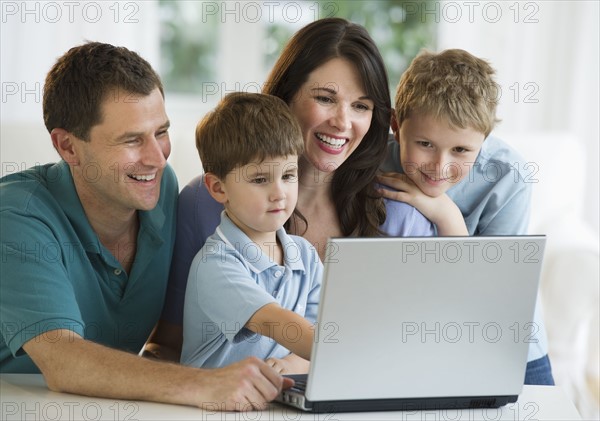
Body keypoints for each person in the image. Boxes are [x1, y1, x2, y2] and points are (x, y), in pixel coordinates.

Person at [0, 42, 293, 411]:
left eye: (161, 132)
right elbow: (63, 361)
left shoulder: (161, 190)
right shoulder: (17, 214)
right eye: (132, 139)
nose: (157, 158)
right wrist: (206, 384)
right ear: (68, 147)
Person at [146, 17, 435, 361]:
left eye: (361, 106)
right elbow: (166, 346)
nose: (343, 122)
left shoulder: (393, 216)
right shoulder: (205, 216)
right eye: (326, 98)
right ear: (287, 96)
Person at [377, 48, 554, 384]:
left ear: (483, 141)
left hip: (509, 344)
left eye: (460, 150)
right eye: (425, 143)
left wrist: (446, 214)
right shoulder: (375, 165)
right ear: (396, 125)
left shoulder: (508, 176)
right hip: (417, 343)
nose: (439, 166)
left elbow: (490, 295)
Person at [181, 92, 322, 374]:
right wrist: (355, 352)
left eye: (288, 175)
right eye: (260, 180)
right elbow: (275, 322)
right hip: (206, 407)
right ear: (219, 188)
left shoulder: (304, 254)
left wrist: (286, 365)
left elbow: (317, 333)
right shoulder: (216, 263)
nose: (279, 193)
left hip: (271, 399)